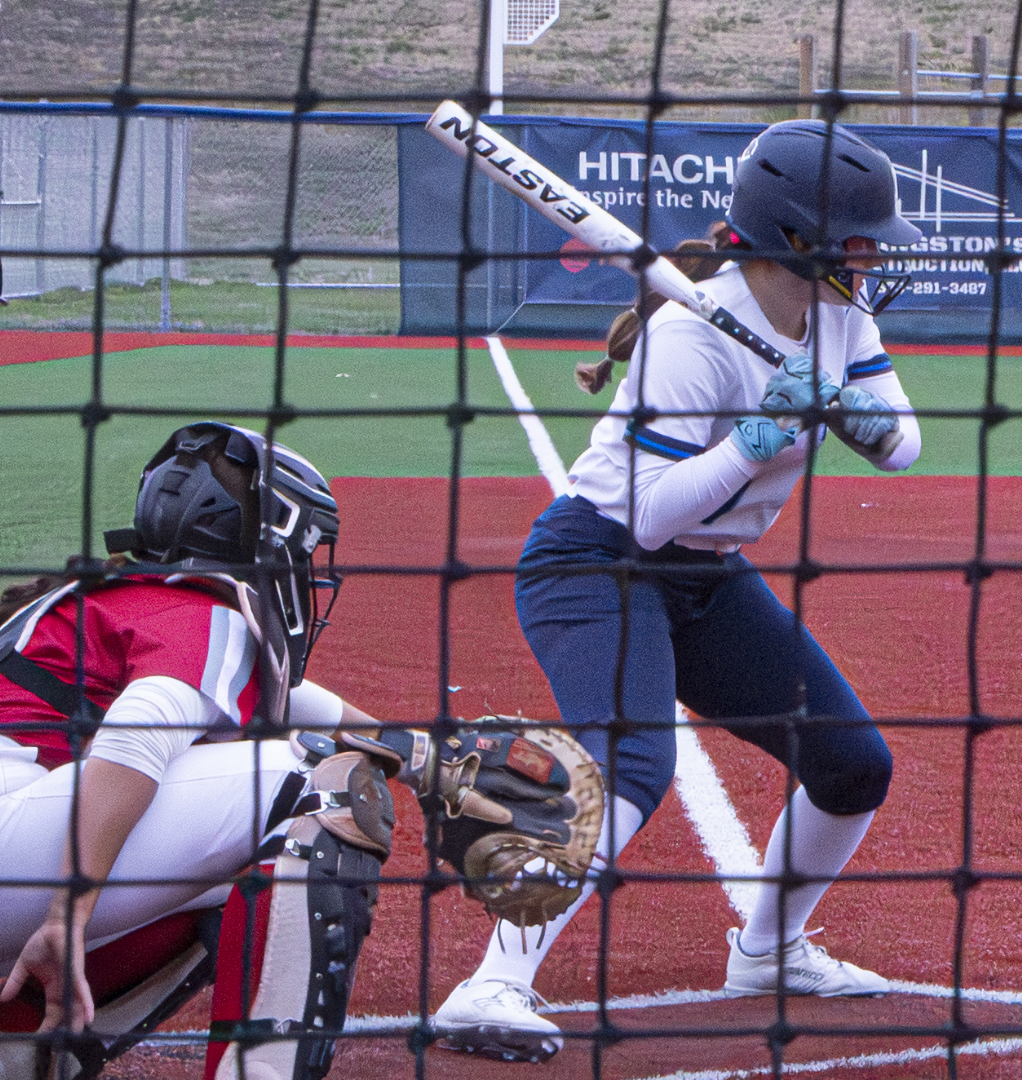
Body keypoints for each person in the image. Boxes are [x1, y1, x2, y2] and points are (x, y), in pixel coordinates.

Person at [432, 118, 925, 1064]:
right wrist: (755, 438)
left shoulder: (842, 313)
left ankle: (770, 950)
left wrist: (852, 409)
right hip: (597, 563)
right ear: (796, 237)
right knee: (632, 764)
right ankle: (491, 984)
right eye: (858, 240)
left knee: (853, 762)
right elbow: (651, 515)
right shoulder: (689, 340)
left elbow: (903, 446)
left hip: (705, 574)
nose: (870, 258)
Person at [0, 422, 604, 1080]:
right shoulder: (206, 611)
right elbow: (143, 730)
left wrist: (430, 764)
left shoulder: (144, 600)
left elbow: (292, 707)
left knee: (245, 868)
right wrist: (69, 911)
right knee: (326, 787)